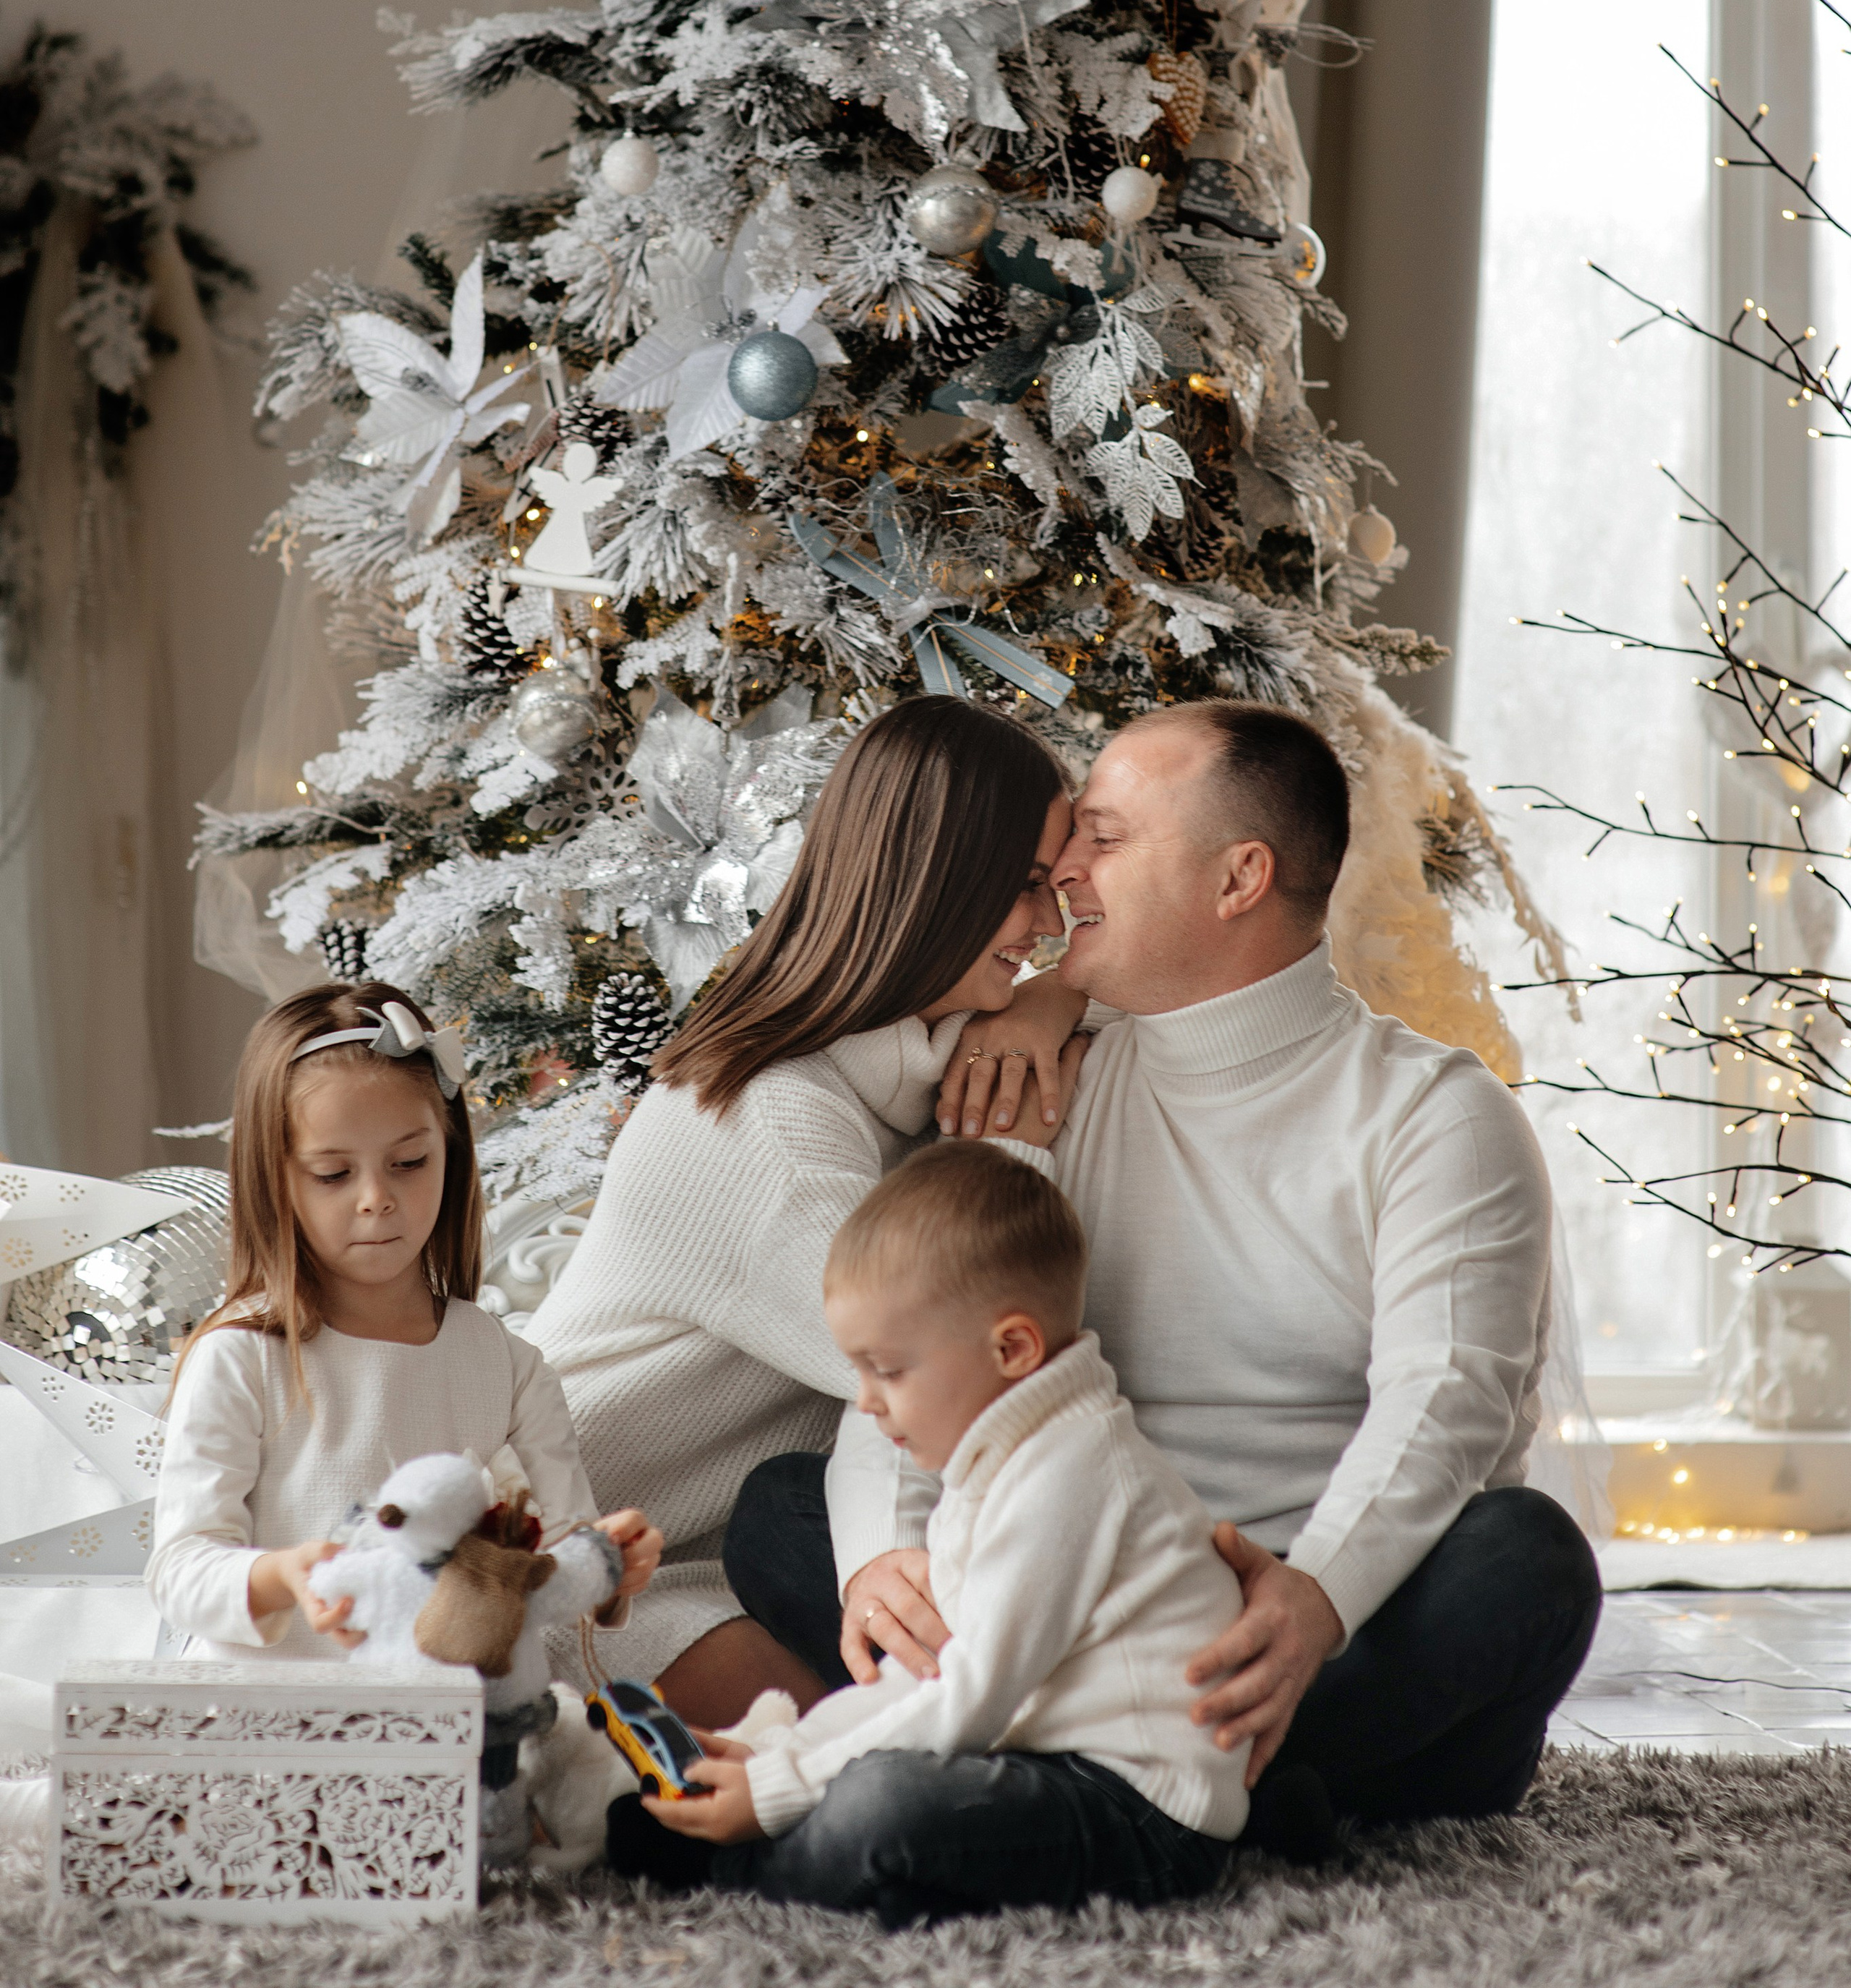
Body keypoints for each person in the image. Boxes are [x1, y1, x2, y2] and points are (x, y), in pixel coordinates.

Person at [727, 702, 1602, 1843]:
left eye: (1103, 837)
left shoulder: (1434, 1113)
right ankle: (1222, 1792)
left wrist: (1315, 1598)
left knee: (1525, 1556)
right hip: (1085, 1596)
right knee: (788, 1512)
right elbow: (930, 1330)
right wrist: (887, 1555)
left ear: (1240, 876)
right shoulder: (1047, 1078)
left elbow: (1446, 1402)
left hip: (1324, 1621)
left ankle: (1130, 1772)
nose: (1061, 872)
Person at [526, 695, 1074, 1726]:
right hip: (564, 1584)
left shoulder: (902, 1070)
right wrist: (1008, 1132)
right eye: (1026, 886)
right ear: (936, 880)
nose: (1050, 926)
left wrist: (1060, 994)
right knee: (883, 1736)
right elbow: (973, 1368)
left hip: (710, 1552)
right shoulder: (765, 1127)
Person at [607, 1142, 1247, 1927]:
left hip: (1143, 1813)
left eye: (888, 1370)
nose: (866, 1402)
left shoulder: (1071, 1474)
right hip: (1043, 1755)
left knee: (881, 1803)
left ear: (1012, 1349)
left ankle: (736, 1868)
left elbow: (970, 1696)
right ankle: (902, 1887)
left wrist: (779, 1794)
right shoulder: (998, 1460)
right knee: (874, 1791)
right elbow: (921, 1672)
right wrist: (785, 1756)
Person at [148, 981, 660, 1664]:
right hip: (265, 1710)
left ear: (449, 1152)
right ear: (275, 1178)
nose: (377, 1199)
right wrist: (281, 1574)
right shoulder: (242, 1356)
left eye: (409, 1163)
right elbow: (179, 1570)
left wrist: (612, 1566)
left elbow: (565, 1560)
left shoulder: (505, 1364)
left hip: (440, 1714)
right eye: (333, 1173)